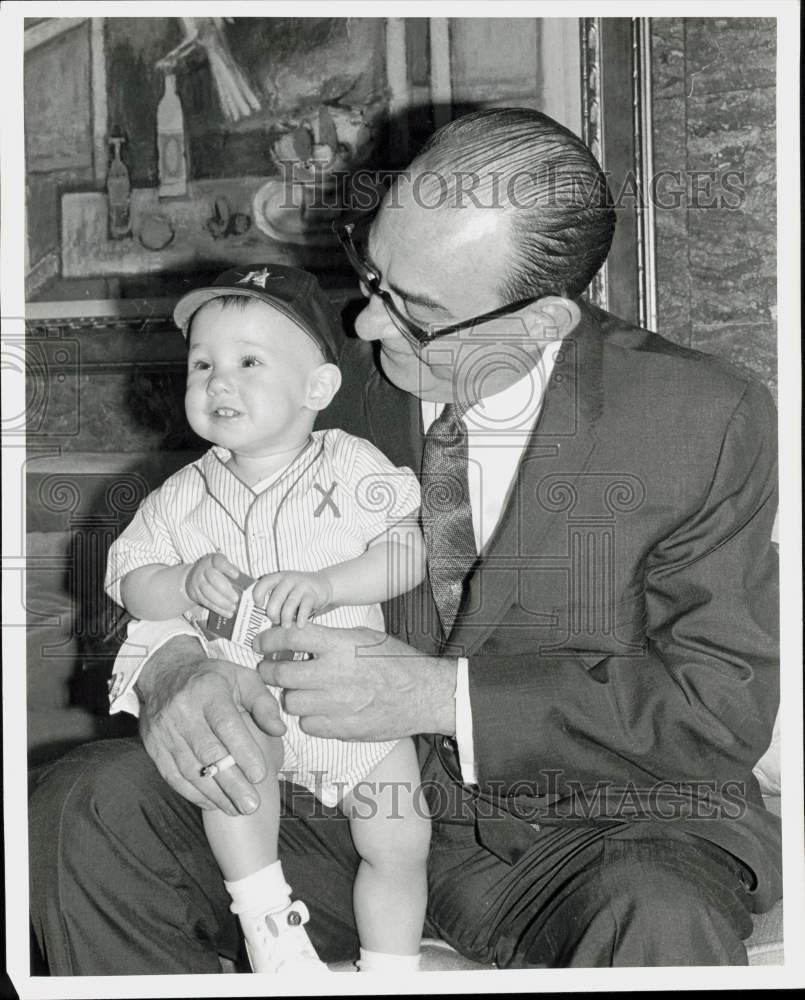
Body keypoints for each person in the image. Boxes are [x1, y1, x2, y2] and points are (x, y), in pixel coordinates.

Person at [29, 108, 781, 973]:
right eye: (371, 270)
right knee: (83, 805)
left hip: (605, 833)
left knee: (660, 912)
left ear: (540, 324)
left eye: (415, 310)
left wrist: (434, 696)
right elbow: (164, 550)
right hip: (336, 809)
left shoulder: (700, 417)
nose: (367, 327)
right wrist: (171, 674)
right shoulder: (306, 375)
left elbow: (715, 701)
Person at [103, 264, 430, 973]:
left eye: (248, 361)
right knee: (230, 775)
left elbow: (407, 553)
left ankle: (392, 966)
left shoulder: (350, 464)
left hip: (354, 707)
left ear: (316, 388)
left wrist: (327, 582)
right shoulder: (179, 497)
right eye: (202, 363)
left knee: (401, 835)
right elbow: (133, 587)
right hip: (251, 707)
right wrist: (181, 581)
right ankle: (270, 929)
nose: (219, 381)